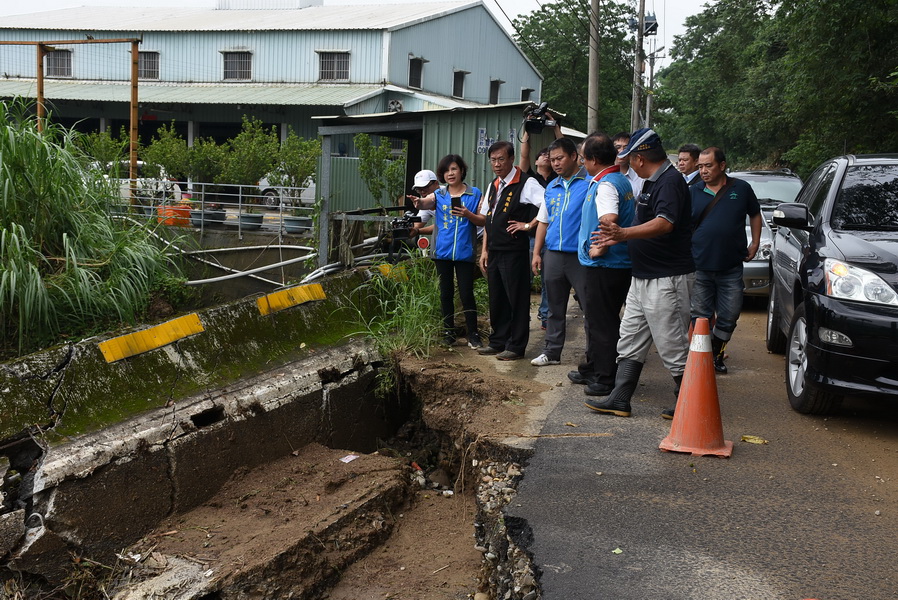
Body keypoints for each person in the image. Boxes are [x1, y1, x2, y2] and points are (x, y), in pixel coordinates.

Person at [585, 128, 694, 418]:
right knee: (630, 339)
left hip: (666, 277)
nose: (629, 164)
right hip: (643, 275)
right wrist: (617, 238)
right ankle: (620, 398)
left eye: (630, 158)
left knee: (672, 343)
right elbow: (642, 222)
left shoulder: (670, 182)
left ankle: (691, 405)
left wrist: (623, 234)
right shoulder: (650, 182)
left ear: (640, 159)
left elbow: (665, 223)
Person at [569, 133, 634, 394]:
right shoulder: (617, 179)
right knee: (597, 320)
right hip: (612, 264)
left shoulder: (606, 185)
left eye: (583, 158)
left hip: (606, 265)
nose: (582, 163)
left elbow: (609, 218)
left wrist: (601, 245)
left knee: (602, 323)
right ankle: (593, 368)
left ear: (594, 160)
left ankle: (605, 379)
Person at [690, 146, 761, 374]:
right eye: (700, 166)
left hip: (731, 266)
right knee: (700, 316)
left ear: (722, 165)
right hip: (699, 265)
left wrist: (755, 243)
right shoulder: (692, 191)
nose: (703, 171)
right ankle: (702, 359)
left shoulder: (741, 188)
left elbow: (755, 214)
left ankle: (716, 353)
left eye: (708, 166)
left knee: (729, 315)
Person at [478, 140, 545, 361]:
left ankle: (516, 346)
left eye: (501, 159)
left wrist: (528, 225)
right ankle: (498, 341)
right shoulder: (493, 185)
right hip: (494, 250)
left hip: (514, 250)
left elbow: (548, 204)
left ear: (511, 159)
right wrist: (484, 250)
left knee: (516, 299)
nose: (497, 164)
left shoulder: (526, 182)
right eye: (493, 160)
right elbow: (488, 220)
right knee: (497, 298)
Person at [410, 159, 486, 349]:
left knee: (467, 293)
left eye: (454, 169)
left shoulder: (475, 193)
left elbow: (483, 220)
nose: (450, 173)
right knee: (446, 293)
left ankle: (473, 334)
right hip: (442, 252)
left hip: (464, 251)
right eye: (446, 171)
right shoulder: (439, 194)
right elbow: (426, 203)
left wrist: (468, 214)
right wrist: (419, 202)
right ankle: (448, 332)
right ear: (442, 175)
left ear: (462, 171)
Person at [530, 137, 589, 367]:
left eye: (560, 158)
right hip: (553, 254)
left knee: (589, 306)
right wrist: (537, 253)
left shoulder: (589, 183)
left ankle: (594, 356)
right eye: (552, 159)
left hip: (580, 256)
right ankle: (552, 352)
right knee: (554, 307)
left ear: (574, 156)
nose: (555, 163)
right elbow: (543, 221)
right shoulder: (551, 187)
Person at [519, 119, 562, 330]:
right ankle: (522, 316)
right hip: (531, 236)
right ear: (536, 161)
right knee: (525, 279)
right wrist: (528, 129)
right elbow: (524, 155)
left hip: (551, 235)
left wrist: (555, 127)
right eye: (542, 154)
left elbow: (564, 149)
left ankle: (545, 316)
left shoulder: (558, 179)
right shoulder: (529, 178)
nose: (546, 156)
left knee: (548, 280)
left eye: (549, 155)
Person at [612, 131, 644, 199]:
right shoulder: (604, 176)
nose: (622, 151)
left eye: (626, 148)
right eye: (618, 147)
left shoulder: (640, 178)